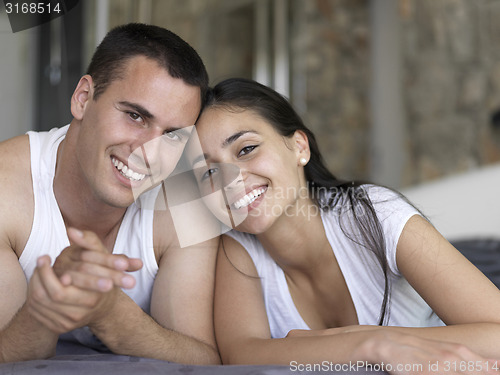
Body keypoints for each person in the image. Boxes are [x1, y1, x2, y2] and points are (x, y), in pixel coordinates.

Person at [185, 78, 500, 373]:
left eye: (246, 149)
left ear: (299, 148)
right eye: (208, 173)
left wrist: (369, 337)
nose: (231, 180)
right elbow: (241, 355)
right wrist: (373, 345)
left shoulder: (375, 214)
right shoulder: (236, 249)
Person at [0, 23, 220, 364]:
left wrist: (110, 311)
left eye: (173, 135)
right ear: (83, 99)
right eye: (135, 116)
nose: (150, 152)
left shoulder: (187, 201)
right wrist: (46, 309)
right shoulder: (5, 187)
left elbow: (204, 362)